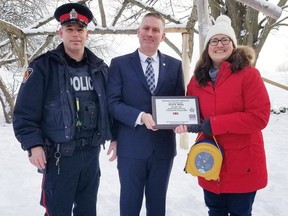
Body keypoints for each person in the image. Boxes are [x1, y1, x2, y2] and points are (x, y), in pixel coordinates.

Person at [13, 3, 114, 216]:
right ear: (61, 32)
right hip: (60, 158)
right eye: (69, 29)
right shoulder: (42, 67)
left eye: (80, 30)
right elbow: (24, 113)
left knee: (87, 211)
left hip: (91, 156)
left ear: (87, 34)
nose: (75, 34)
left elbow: (111, 108)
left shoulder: (100, 69)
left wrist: (115, 135)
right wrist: (34, 144)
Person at [174, 15, 271, 216]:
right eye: (214, 40)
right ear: (208, 47)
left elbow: (259, 117)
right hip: (209, 160)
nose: (219, 45)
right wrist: (182, 123)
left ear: (233, 45)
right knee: (215, 211)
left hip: (243, 163)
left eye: (225, 40)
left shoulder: (249, 75)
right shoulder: (197, 79)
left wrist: (216, 124)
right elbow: (192, 114)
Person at [106, 12, 185, 216]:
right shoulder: (119, 64)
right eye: (146, 28)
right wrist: (140, 116)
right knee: (130, 206)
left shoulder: (175, 66)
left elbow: (179, 102)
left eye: (156, 30)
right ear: (138, 31)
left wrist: (180, 121)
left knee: (157, 207)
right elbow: (113, 104)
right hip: (131, 148)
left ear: (163, 36)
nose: (150, 33)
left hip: (163, 150)